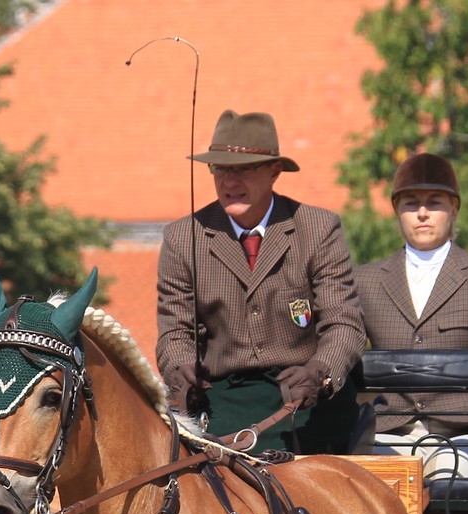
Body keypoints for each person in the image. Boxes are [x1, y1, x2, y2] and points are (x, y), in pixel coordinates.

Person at [156, 110, 367, 455]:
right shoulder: (183, 237)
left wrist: (321, 372)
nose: (229, 181)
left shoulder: (317, 228)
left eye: (244, 170)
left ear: (274, 171)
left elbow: (344, 322)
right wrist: (179, 368)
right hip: (222, 402)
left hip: (306, 401)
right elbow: (174, 330)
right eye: (220, 169)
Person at [354, 152, 468, 478]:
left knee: (452, 480)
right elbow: (342, 354)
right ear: (397, 210)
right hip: (389, 429)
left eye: (435, 203)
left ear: (454, 209)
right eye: (411, 203)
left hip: (466, 432)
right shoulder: (364, 281)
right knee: (364, 485)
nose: (422, 213)